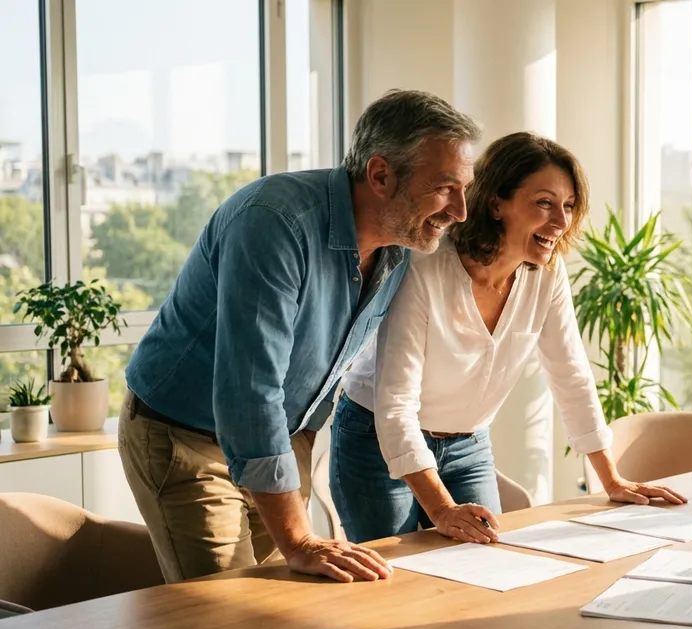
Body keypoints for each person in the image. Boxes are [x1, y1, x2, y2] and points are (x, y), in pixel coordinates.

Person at [118, 89, 482, 583]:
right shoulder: (273, 222)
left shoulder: (397, 250)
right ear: (380, 175)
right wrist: (298, 537)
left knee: (280, 610)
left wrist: (302, 449)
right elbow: (250, 393)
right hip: (186, 438)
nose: (459, 211)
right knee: (223, 617)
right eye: (445, 188)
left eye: (465, 189)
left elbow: (322, 371)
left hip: (285, 438)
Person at [331, 132, 685, 544]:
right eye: (544, 203)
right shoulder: (426, 267)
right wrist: (442, 509)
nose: (561, 221)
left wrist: (612, 480)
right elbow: (395, 406)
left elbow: (571, 375)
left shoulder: (547, 274)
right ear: (496, 202)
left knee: (485, 564)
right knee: (393, 579)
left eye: (568, 206)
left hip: (468, 444)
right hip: (375, 437)